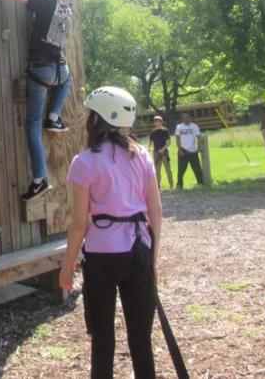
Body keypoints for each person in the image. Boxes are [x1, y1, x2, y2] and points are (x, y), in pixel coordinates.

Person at [59, 86, 163, 379]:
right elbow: (155, 211)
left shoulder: (84, 162)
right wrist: (154, 258)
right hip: (139, 250)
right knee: (142, 341)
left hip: (103, 255)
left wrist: (67, 268)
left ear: (97, 118)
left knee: (102, 341)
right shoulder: (141, 155)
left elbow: (79, 223)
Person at [4, 0, 72, 201]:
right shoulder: (64, 7)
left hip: (40, 71)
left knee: (32, 125)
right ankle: (54, 116)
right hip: (59, 70)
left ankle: (39, 179)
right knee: (68, 78)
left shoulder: (42, 3)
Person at [175, 112, 204, 188]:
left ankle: (200, 183)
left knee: (197, 168)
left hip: (193, 151)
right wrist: (179, 149)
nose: (186, 118)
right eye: (184, 117)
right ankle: (179, 184)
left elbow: (199, 137)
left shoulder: (194, 126)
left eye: (187, 117)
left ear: (190, 118)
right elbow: (177, 139)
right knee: (181, 169)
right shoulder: (179, 127)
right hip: (183, 151)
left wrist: (199, 147)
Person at [148, 116, 173, 190]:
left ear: (161, 122)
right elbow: (150, 142)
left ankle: (171, 184)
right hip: (156, 153)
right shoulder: (153, 132)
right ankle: (157, 186)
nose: (157, 123)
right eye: (155, 121)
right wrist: (148, 149)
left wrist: (162, 149)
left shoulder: (165, 131)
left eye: (158, 121)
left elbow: (169, 142)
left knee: (167, 168)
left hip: (164, 152)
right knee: (157, 170)